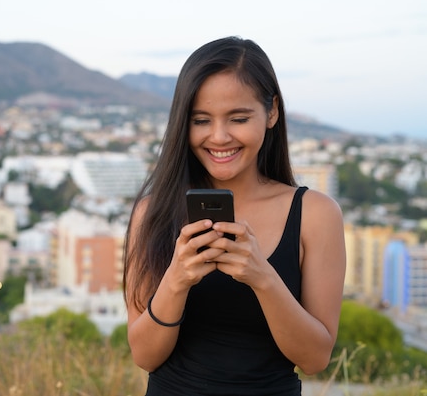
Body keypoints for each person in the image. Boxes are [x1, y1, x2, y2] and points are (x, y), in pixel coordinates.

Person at [122, 36, 346, 396]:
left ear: (272, 111)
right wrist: (177, 280)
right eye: (201, 120)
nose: (219, 136)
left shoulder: (315, 214)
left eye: (238, 118)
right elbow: (145, 355)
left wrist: (262, 277)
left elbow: (315, 358)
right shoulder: (154, 213)